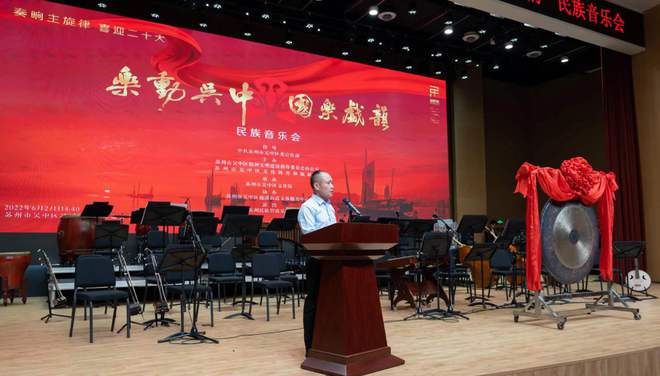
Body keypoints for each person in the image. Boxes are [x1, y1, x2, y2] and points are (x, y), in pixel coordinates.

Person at [298, 170, 336, 352]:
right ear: (316, 185)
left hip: (333, 261)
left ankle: (329, 341)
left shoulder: (330, 207)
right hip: (317, 261)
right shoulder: (308, 207)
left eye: (332, 182)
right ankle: (311, 346)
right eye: (328, 182)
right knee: (313, 301)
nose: (332, 186)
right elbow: (310, 237)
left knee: (331, 301)